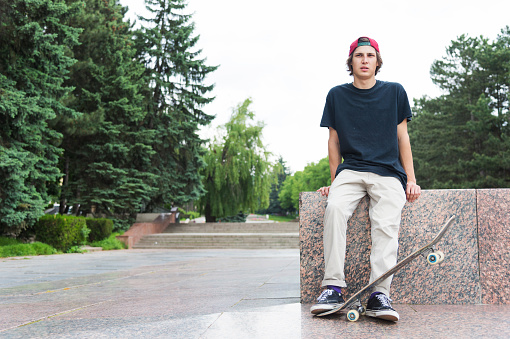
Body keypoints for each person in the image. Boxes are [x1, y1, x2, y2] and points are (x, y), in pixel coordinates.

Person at [310, 37, 421, 322]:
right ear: (351, 61)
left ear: (377, 61)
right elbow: (333, 141)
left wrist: (411, 177)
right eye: (359, 55)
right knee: (334, 209)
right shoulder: (336, 95)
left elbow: (402, 137)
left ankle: (378, 294)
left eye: (370, 55)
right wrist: (334, 180)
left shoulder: (395, 92)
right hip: (351, 170)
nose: (364, 60)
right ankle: (333, 287)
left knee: (386, 222)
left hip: (388, 172)